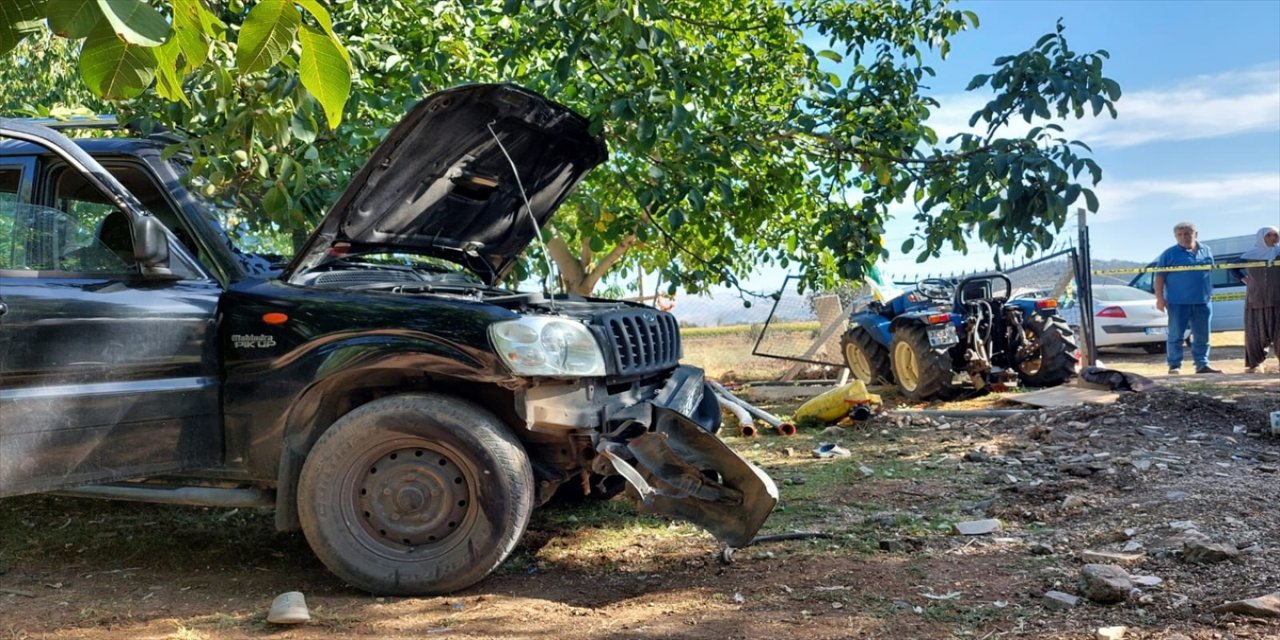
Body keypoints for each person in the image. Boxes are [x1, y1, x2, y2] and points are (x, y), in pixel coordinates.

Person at [1153, 222, 1220, 374]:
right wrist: (1160, 298)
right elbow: (1159, 278)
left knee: (1202, 336)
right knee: (1176, 335)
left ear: (1195, 234)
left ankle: (1202, 364)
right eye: (1180, 234)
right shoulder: (1169, 254)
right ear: (1175, 236)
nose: (1184, 237)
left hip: (1202, 301)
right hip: (1178, 302)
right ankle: (1174, 365)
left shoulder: (1206, 250)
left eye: (1187, 233)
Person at [1234, 226, 1280, 374]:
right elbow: (1232, 267)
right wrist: (1244, 278)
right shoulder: (1250, 255)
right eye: (1269, 236)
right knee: (1255, 334)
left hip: (1278, 299)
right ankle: (1255, 364)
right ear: (1261, 237)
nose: (1273, 238)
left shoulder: (1278, 254)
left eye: (1275, 235)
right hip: (1256, 299)